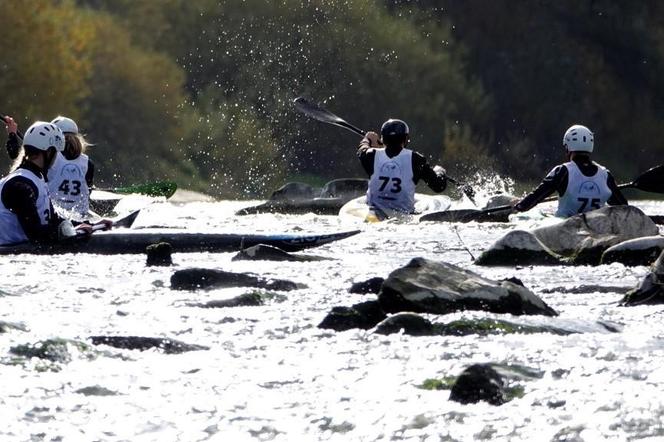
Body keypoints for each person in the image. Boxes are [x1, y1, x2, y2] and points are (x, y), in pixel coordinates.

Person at [0, 121, 99, 246]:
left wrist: (90, 225)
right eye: (56, 153)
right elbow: (37, 235)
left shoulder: (37, 178)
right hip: (11, 257)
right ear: (48, 152)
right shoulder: (20, 186)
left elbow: (55, 220)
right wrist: (72, 232)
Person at [513, 124, 627, 218]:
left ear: (568, 148)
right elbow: (624, 207)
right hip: (596, 227)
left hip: (564, 226)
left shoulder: (562, 171)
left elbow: (536, 196)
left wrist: (518, 207)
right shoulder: (605, 174)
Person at [4, 115, 95, 219]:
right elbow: (88, 191)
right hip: (80, 216)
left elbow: (15, 156)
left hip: (55, 216)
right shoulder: (88, 163)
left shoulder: (50, 157)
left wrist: (12, 134)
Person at [358, 118, 448, 217]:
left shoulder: (371, 155)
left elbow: (362, 149)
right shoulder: (416, 159)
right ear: (405, 139)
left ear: (383, 139)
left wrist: (368, 139)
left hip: (374, 213)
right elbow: (439, 186)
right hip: (404, 216)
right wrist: (440, 171)